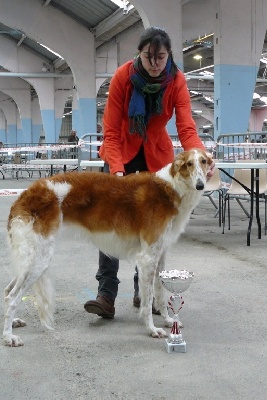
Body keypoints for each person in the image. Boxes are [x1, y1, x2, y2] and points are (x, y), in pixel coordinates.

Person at [83, 26, 215, 319]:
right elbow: (111, 130)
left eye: (161, 56)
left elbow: (185, 126)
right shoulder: (122, 77)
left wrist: (202, 155)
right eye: (149, 56)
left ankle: (143, 293)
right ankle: (106, 294)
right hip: (122, 154)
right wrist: (116, 171)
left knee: (157, 231)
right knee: (112, 222)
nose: (155, 63)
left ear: (168, 55)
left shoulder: (177, 80)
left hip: (157, 158)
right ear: (140, 53)